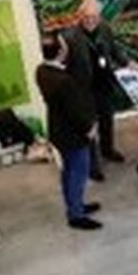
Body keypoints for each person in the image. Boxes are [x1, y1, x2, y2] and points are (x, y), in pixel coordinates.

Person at [36, 33, 101, 231]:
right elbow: (74, 111)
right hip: (72, 135)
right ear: (60, 52)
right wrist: (89, 127)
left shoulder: (42, 71)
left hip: (58, 131)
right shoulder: (64, 81)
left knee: (69, 171)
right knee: (77, 173)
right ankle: (76, 215)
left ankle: (75, 205)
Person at [68, 0, 128, 169]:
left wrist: (127, 63)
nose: (90, 21)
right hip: (84, 89)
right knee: (89, 127)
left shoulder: (105, 29)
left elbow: (114, 50)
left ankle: (107, 149)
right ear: (80, 17)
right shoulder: (70, 37)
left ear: (99, 17)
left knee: (107, 120)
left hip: (104, 84)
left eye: (94, 17)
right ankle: (92, 164)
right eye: (86, 17)